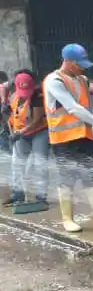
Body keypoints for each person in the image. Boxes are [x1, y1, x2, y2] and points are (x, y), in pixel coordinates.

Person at [42, 43, 93, 233]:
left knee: (91, 177)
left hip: (84, 136)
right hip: (63, 139)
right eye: (79, 64)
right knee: (67, 178)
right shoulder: (54, 80)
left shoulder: (82, 79)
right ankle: (68, 219)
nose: (82, 68)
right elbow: (73, 108)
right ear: (67, 61)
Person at [5, 70, 49, 208]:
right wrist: (4, 106)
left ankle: (41, 197)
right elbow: (4, 91)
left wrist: (20, 132)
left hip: (39, 132)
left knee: (40, 163)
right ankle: (17, 195)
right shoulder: (12, 92)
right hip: (19, 133)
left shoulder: (37, 96)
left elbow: (36, 120)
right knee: (17, 164)